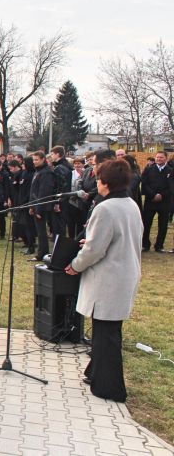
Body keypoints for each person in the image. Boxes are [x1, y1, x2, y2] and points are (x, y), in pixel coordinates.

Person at [64, 159, 142, 402]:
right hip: (125, 272)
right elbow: (115, 237)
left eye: (98, 179)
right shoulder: (130, 204)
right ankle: (96, 372)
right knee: (106, 331)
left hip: (110, 277)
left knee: (106, 334)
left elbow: (95, 250)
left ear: (106, 183)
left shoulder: (105, 208)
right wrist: (91, 242)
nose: (96, 182)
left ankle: (110, 387)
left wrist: (75, 265)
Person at [140, 151, 172, 252]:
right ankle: (145, 244)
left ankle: (159, 245)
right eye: (157, 157)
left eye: (161, 157)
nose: (159, 159)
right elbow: (144, 184)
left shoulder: (171, 171)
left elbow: (171, 187)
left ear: (166, 158)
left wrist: (161, 195)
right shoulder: (149, 170)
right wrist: (153, 195)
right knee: (146, 223)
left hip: (164, 202)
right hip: (150, 201)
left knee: (163, 224)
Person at [28, 151, 56, 261]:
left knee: (41, 232)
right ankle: (41, 252)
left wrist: (38, 209)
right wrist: (31, 206)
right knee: (39, 231)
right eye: (33, 160)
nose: (34, 162)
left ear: (43, 159)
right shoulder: (38, 171)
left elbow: (44, 192)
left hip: (41, 206)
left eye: (36, 160)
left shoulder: (46, 172)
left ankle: (42, 254)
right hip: (35, 204)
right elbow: (33, 190)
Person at [50, 146, 73, 236]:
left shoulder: (60, 167)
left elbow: (60, 186)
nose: (51, 156)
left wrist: (57, 202)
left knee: (58, 225)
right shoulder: (66, 165)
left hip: (61, 199)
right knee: (61, 223)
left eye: (52, 154)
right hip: (65, 198)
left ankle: (59, 242)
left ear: (58, 154)